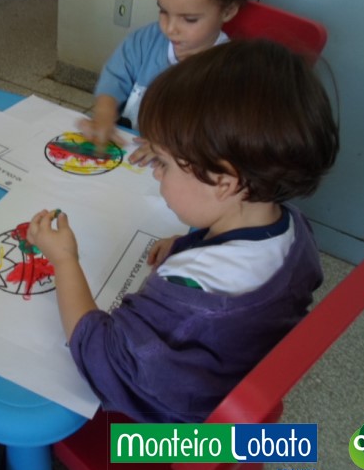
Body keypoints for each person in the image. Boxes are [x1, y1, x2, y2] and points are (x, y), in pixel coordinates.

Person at [27, 39, 339, 423]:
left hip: (184, 439)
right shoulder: (293, 227)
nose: (155, 173)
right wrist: (186, 243)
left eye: (163, 162)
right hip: (240, 389)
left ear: (223, 182)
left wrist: (64, 261)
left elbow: (105, 360)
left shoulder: (190, 293)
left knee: (30, 418)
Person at [79, 0, 261, 165]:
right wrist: (104, 113)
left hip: (183, 170)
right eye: (163, 11)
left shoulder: (230, 72)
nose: (169, 28)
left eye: (189, 19)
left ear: (227, 11)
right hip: (131, 161)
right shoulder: (146, 41)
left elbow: (222, 137)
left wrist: (173, 148)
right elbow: (115, 77)